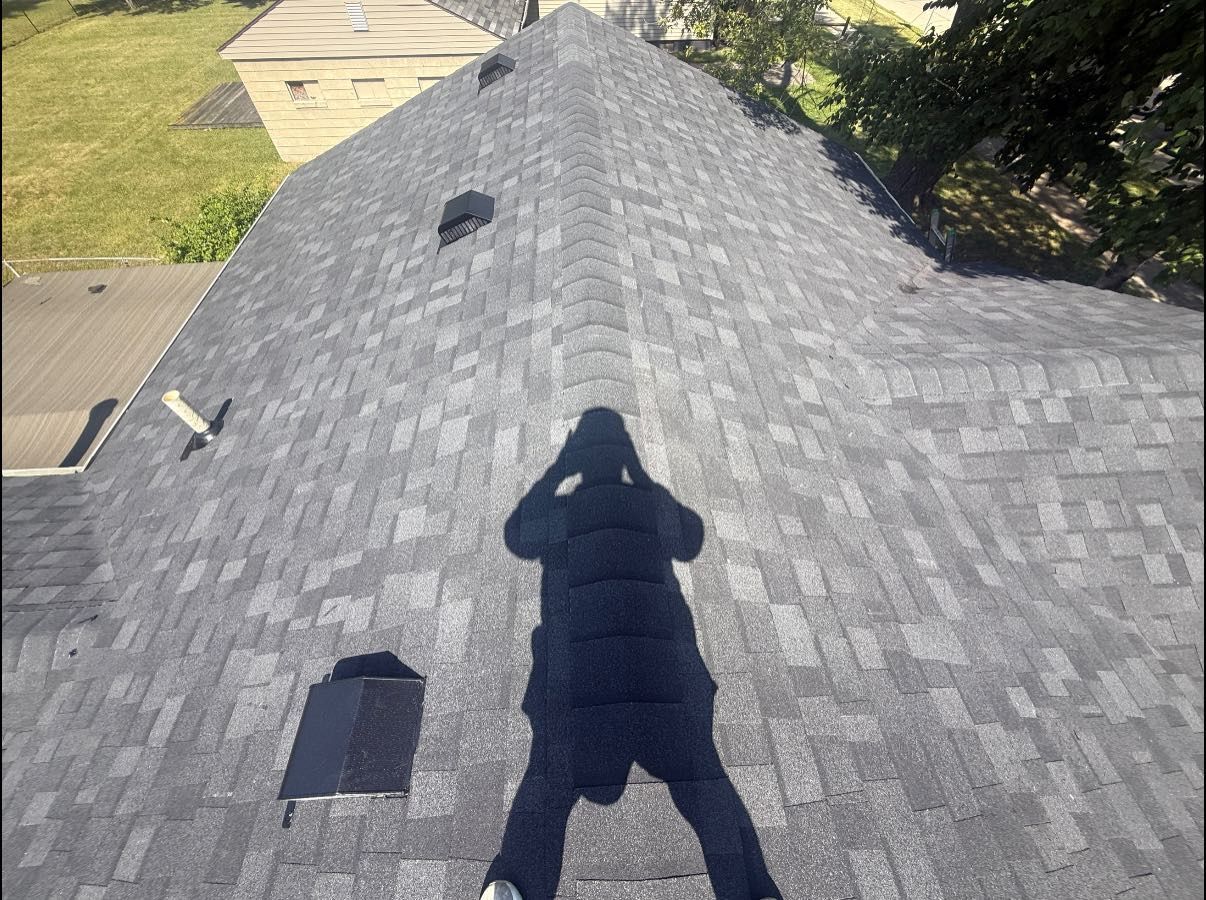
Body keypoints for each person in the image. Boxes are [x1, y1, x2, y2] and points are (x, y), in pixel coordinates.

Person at [482, 408, 780, 900]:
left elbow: (519, 534)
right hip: (661, 659)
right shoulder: (644, 499)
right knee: (701, 774)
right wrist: (640, 475)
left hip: (578, 664)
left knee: (551, 772)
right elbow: (690, 538)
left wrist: (561, 467)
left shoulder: (571, 503)